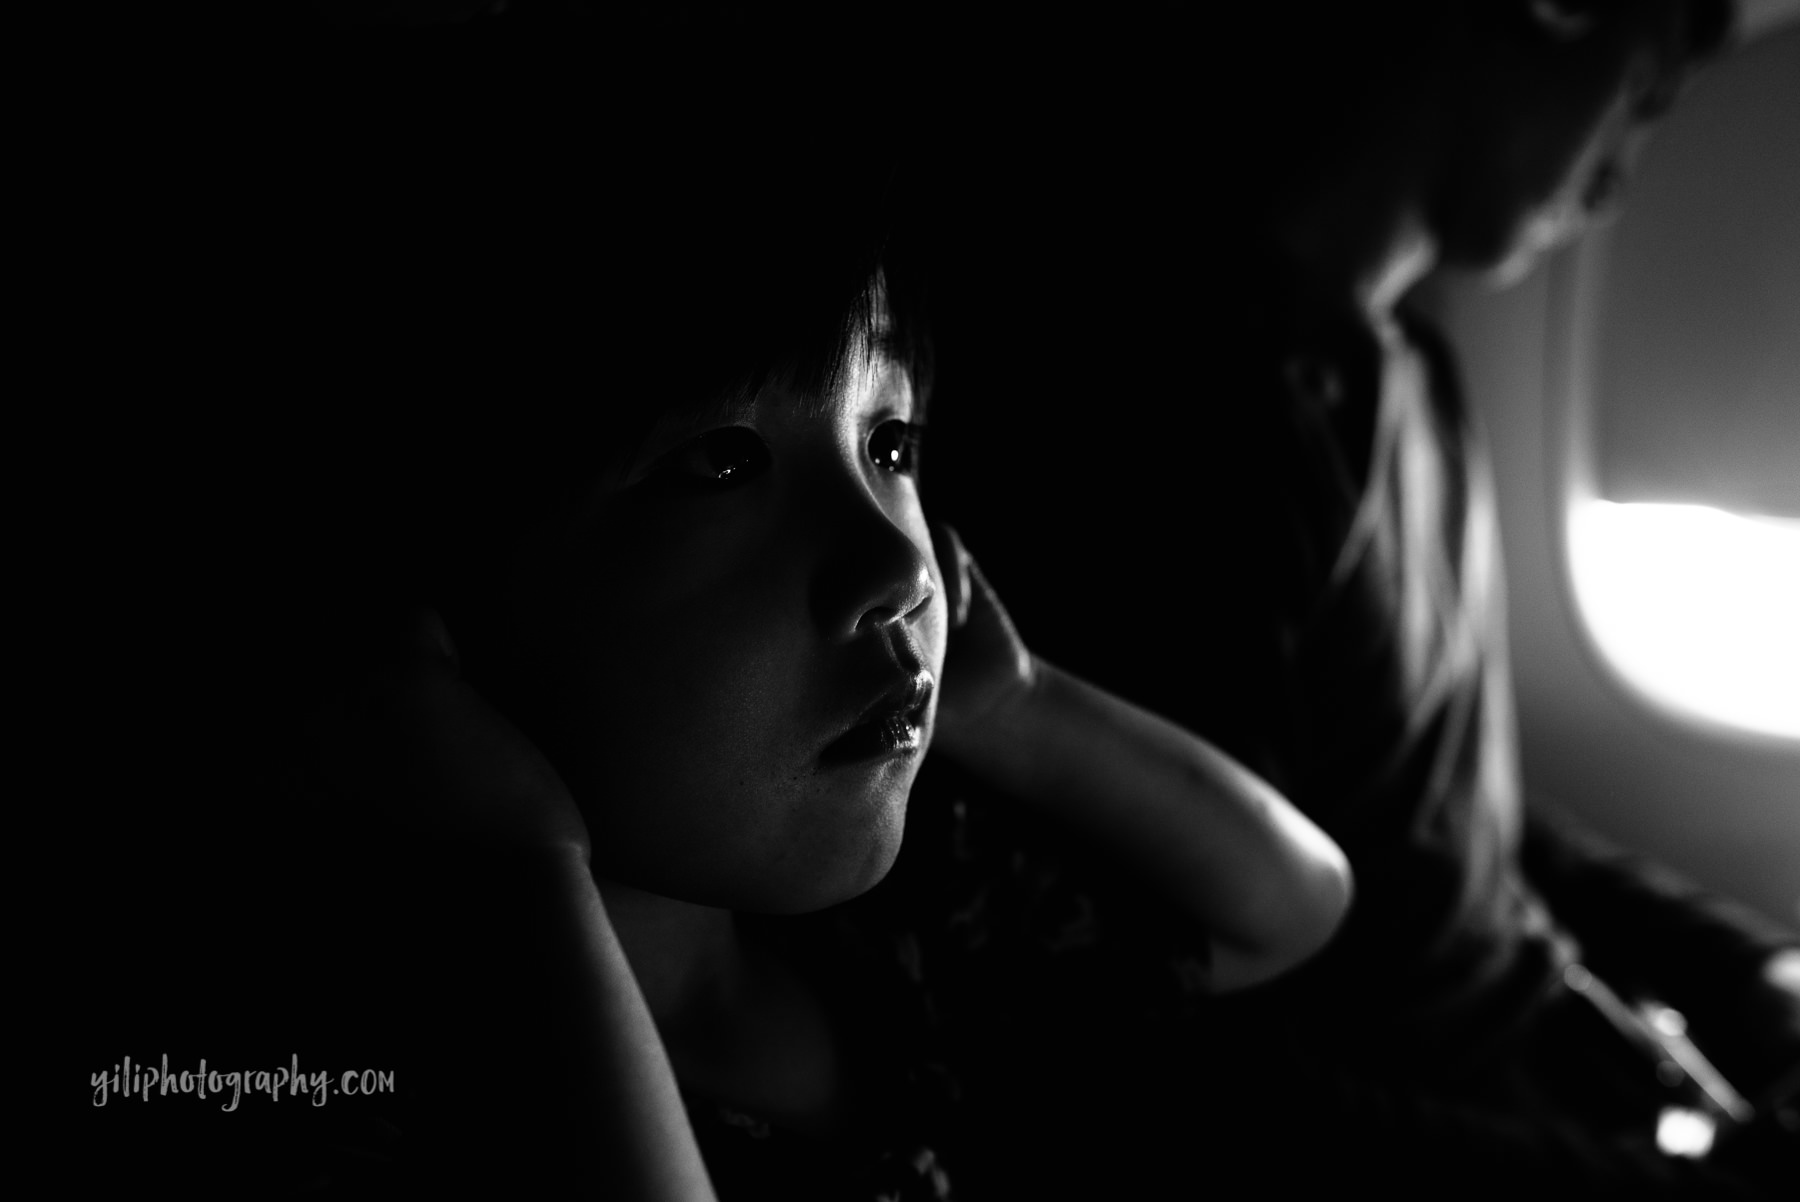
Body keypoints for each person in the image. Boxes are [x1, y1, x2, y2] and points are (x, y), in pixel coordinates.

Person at [62, 8, 1353, 1197]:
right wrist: (519, 868)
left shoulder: (892, 932)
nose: (898, 567)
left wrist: (1016, 701)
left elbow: (1284, 907)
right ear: (440, 605)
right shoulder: (352, 1078)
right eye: (723, 461)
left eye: (890, 446)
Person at [921, 0, 1798, 1195]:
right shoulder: (1205, 432)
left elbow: (1446, 833)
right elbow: (1213, 1067)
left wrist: (1755, 970)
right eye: (1637, 100)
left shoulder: (1411, 377)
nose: (1615, 187)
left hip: (1548, 1069)